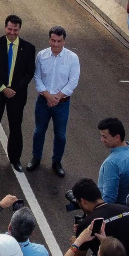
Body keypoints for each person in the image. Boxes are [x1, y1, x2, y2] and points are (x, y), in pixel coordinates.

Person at [0, 14, 37, 171]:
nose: (12, 32)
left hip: (17, 95)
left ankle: (15, 159)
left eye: (15, 29)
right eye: (9, 28)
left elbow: (29, 72)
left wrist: (14, 89)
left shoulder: (28, 48)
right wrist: (2, 88)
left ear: (20, 29)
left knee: (15, 126)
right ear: (5, 27)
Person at [27, 26, 80, 177]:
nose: (56, 44)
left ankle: (57, 161)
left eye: (59, 41)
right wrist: (48, 96)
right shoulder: (41, 56)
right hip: (43, 101)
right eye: (53, 40)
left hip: (62, 103)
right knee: (39, 131)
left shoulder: (72, 58)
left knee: (60, 135)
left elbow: (73, 81)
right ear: (49, 39)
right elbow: (37, 77)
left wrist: (58, 96)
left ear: (64, 41)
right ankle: (36, 158)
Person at [97, 118, 129, 205]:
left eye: (104, 137)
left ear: (117, 137)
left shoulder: (111, 163)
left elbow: (109, 198)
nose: (101, 140)